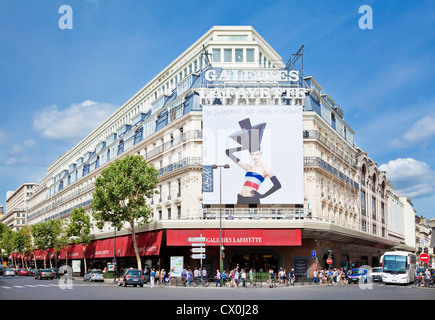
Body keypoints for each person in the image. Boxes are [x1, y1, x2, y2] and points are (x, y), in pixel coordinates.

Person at [226, 118, 281, 204]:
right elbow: (228, 152)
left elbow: (277, 185)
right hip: (240, 198)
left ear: (261, 153)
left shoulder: (265, 167)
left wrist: (262, 196)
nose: (254, 157)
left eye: (257, 154)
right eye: (252, 154)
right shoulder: (248, 168)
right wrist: (245, 147)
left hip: (252, 200)